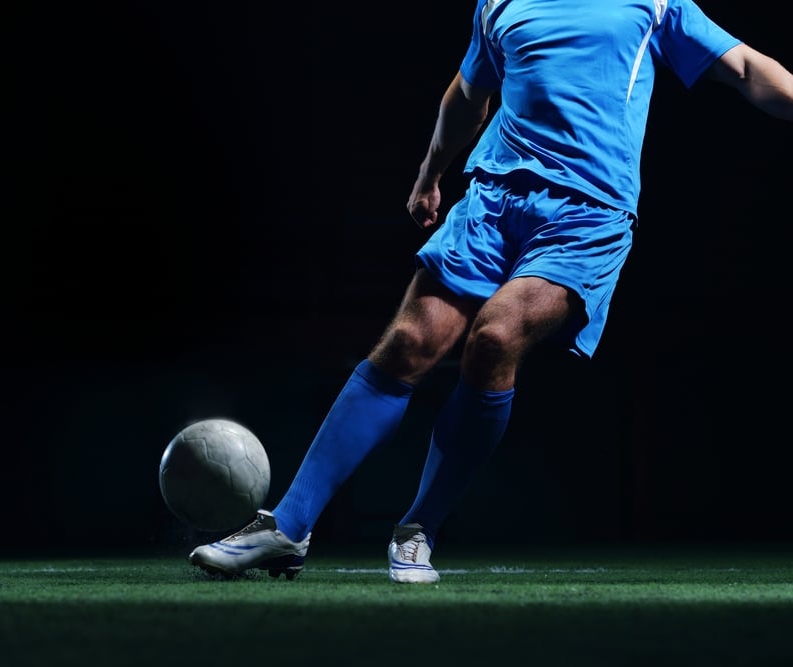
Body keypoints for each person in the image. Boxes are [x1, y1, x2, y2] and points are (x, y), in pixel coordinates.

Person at [188, 0, 793, 583]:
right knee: (407, 342)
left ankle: (418, 526)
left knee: (496, 335)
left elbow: (743, 68)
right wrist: (431, 172)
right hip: (492, 199)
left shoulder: (656, 2)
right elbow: (467, 93)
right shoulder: (498, 1)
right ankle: (288, 528)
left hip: (587, 213)